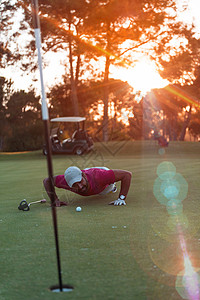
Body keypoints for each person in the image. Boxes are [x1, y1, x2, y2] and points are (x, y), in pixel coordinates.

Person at [43, 166, 132, 207]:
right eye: (75, 185)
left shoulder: (99, 176)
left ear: (84, 176)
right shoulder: (65, 181)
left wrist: (121, 198)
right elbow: (47, 181)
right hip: (89, 175)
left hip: (101, 173)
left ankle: (113, 187)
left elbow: (127, 175)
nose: (80, 187)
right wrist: (54, 200)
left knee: (104, 191)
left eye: (80, 181)